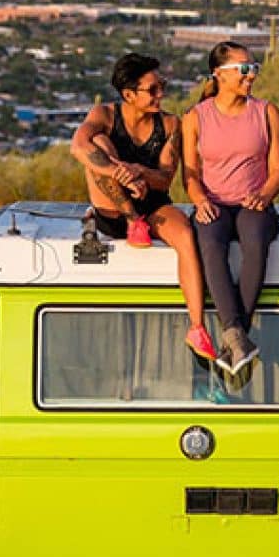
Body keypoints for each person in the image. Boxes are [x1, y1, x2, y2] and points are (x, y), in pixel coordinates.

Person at [72, 53, 214, 363]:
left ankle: (197, 326)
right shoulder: (105, 116)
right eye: (153, 89)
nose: (160, 94)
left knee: (186, 237)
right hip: (114, 208)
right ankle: (132, 219)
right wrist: (118, 171)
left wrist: (136, 171)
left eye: (161, 86)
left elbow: (164, 180)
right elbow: (79, 147)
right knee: (99, 144)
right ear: (128, 94)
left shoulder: (170, 124)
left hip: (152, 203)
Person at [182, 41, 279, 375]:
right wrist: (199, 201)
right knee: (210, 244)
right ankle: (238, 335)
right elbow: (190, 173)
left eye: (254, 68)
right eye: (243, 69)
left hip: (253, 201)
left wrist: (265, 195)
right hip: (213, 202)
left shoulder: (267, 112)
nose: (251, 76)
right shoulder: (196, 117)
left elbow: (278, 170)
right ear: (219, 74)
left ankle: (234, 338)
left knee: (255, 240)